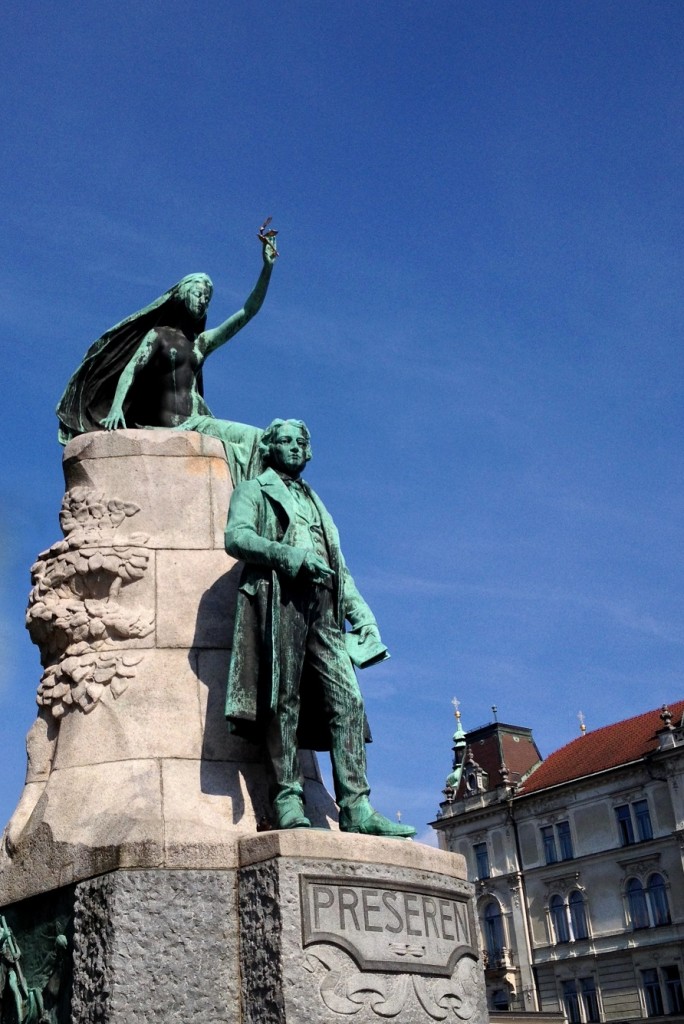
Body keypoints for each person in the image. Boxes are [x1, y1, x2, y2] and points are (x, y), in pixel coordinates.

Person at [224, 419, 416, 838]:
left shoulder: (317, 502)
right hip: (281, 597)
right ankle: (287, 798)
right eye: (285, 441)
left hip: (324, 606)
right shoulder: (254, 490)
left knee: (348, 701)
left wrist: (363, 618)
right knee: (284, 698)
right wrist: (289, 556)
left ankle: (357, 808)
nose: (293, 448)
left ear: (308, 452)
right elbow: (235, 538)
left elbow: (340, 569)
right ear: (270, 447)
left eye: (300, 443)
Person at [56, 232, 277, 484]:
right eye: (198, 293)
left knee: (262, 442)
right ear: (183, 295)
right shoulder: (157, 336)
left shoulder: (201, 343)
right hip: (165, 423)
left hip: (198, 421)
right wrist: (117, 406)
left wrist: (267, 268)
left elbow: (248, 312)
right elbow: (131, 371)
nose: (203, 301)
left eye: (207, 297)